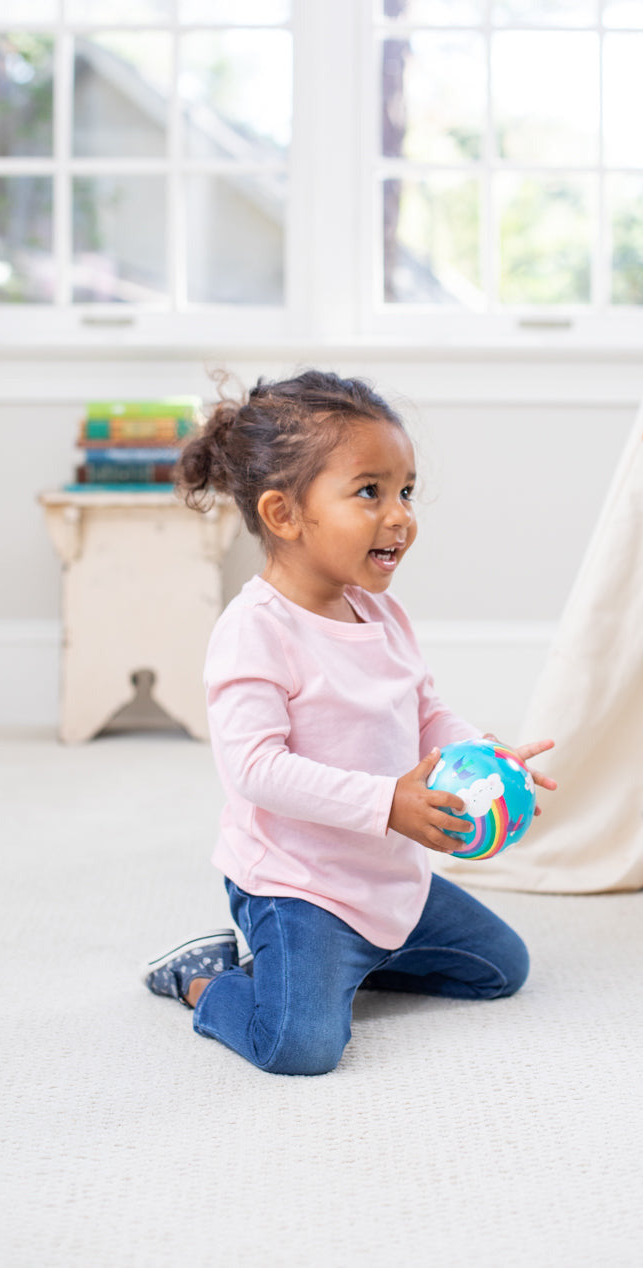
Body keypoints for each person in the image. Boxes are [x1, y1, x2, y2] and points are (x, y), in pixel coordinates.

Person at [143, 370, 556, 1075]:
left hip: (386, 875)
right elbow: (254, 769)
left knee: (501, 969)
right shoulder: (255, 631)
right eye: (370, 492)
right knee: (300, 1047)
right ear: (283, 514)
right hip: (299, 886)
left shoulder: (381, 611)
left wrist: (480, 752)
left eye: (406, 491)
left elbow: (424, 710)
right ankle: (210, 979)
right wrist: (386, 803)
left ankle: (348, 964)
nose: (399, 515)